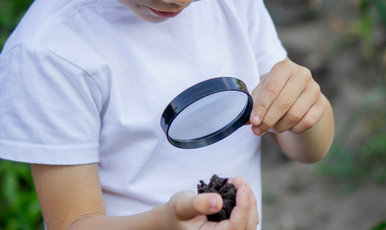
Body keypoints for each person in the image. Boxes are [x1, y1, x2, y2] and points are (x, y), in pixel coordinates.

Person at [0, 0, 335, 229]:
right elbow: (74, 222)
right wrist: (163, 224)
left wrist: (306, 109)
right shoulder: (48, 51)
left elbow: (308, 149)